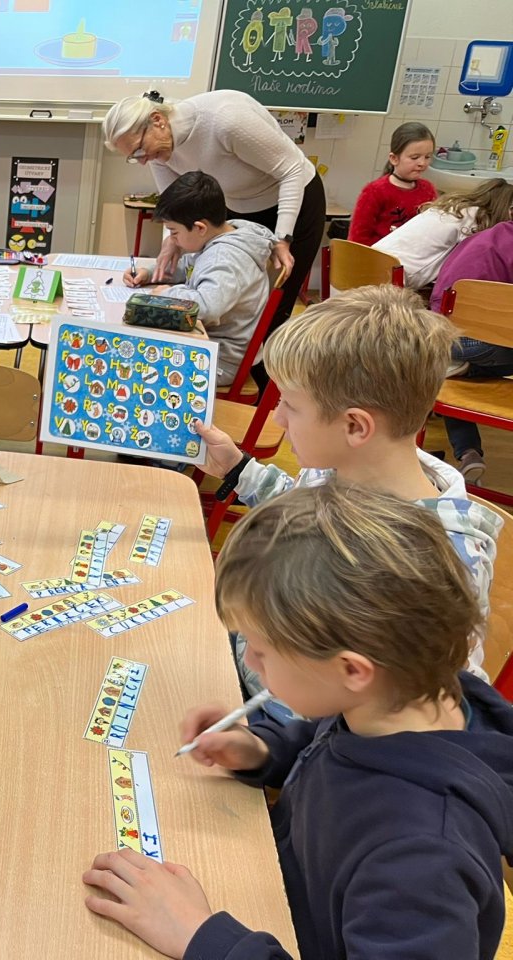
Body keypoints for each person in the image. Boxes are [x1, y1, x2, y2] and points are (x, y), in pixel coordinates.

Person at [83, 483, 513, 960]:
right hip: (275, 885)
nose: (249, 660)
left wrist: (204, 939)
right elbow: (327, 748)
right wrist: (261, 751)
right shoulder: (394, 700)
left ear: (352, 670)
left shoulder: (420, 860)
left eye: (261, 650)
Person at [193, 284, 502, 709]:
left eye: (290, 405)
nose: (278, 418)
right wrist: (238, 469)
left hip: (290, 721)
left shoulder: (434, 563)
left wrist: (273, 736)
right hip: (253, 664)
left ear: (355, 426)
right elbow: (300, 508)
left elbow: (427, 707)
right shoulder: (342, 465)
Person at [102, 89, 323, 334]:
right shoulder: (157, 151)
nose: (143, 160)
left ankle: (263, 357)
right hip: (240, 204)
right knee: (228, 293)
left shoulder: (226, 120)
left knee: (275, 306)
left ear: (158, 120)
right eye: (133, 157)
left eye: (139, 149)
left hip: (294, 200)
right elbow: (176, 207)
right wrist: (171, 244)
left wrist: (282, 238)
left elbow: (291, 169)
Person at [123, 171, 274, 387]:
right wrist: (150, 273)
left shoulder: (224, 258)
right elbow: (189, 267)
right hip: (207, 343)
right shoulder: (221, 236)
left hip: (219, 360)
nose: (173, 240)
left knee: (132, 360)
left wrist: (168, 294)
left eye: (174, 232)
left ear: (200, 228)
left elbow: (208, 306)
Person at [429, 219, 513, 483]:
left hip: (443, 335)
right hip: (478, 342)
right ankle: (467, 367)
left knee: (443, 372)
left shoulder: (482, 237)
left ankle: (468, 453)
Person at [373, 175, 513, 289]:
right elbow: (466, 264)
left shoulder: (448, 207)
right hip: (393, 278)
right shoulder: (473, 217)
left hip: (371, 258)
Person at [349, 122, 436, 246]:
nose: (422, 163)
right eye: (414, 157)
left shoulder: (428, 190)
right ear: (394, 158)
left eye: (427, 157)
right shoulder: (375, 191)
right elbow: (358, 238)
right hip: (379, 255)